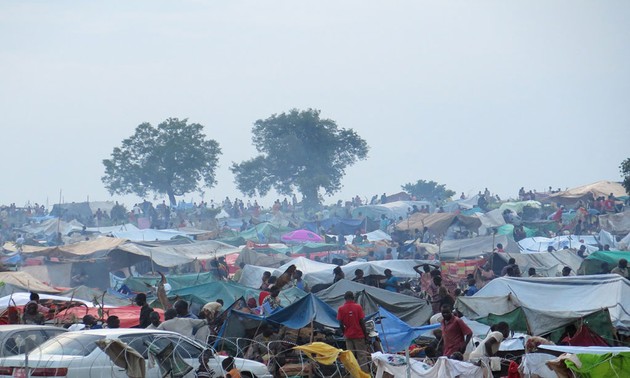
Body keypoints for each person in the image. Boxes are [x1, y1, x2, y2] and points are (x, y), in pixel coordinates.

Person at [337, 291, 369, 373]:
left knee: (351, 356)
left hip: (348, 336)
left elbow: (340, 323)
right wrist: (365, 335)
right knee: (361, 356)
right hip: (359, 335)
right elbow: (362, 322)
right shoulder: (358, 307)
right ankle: (364, 374)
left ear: (345, 298)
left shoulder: (341, 309)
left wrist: (344, 332)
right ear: (353, 297)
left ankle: (352, 374)